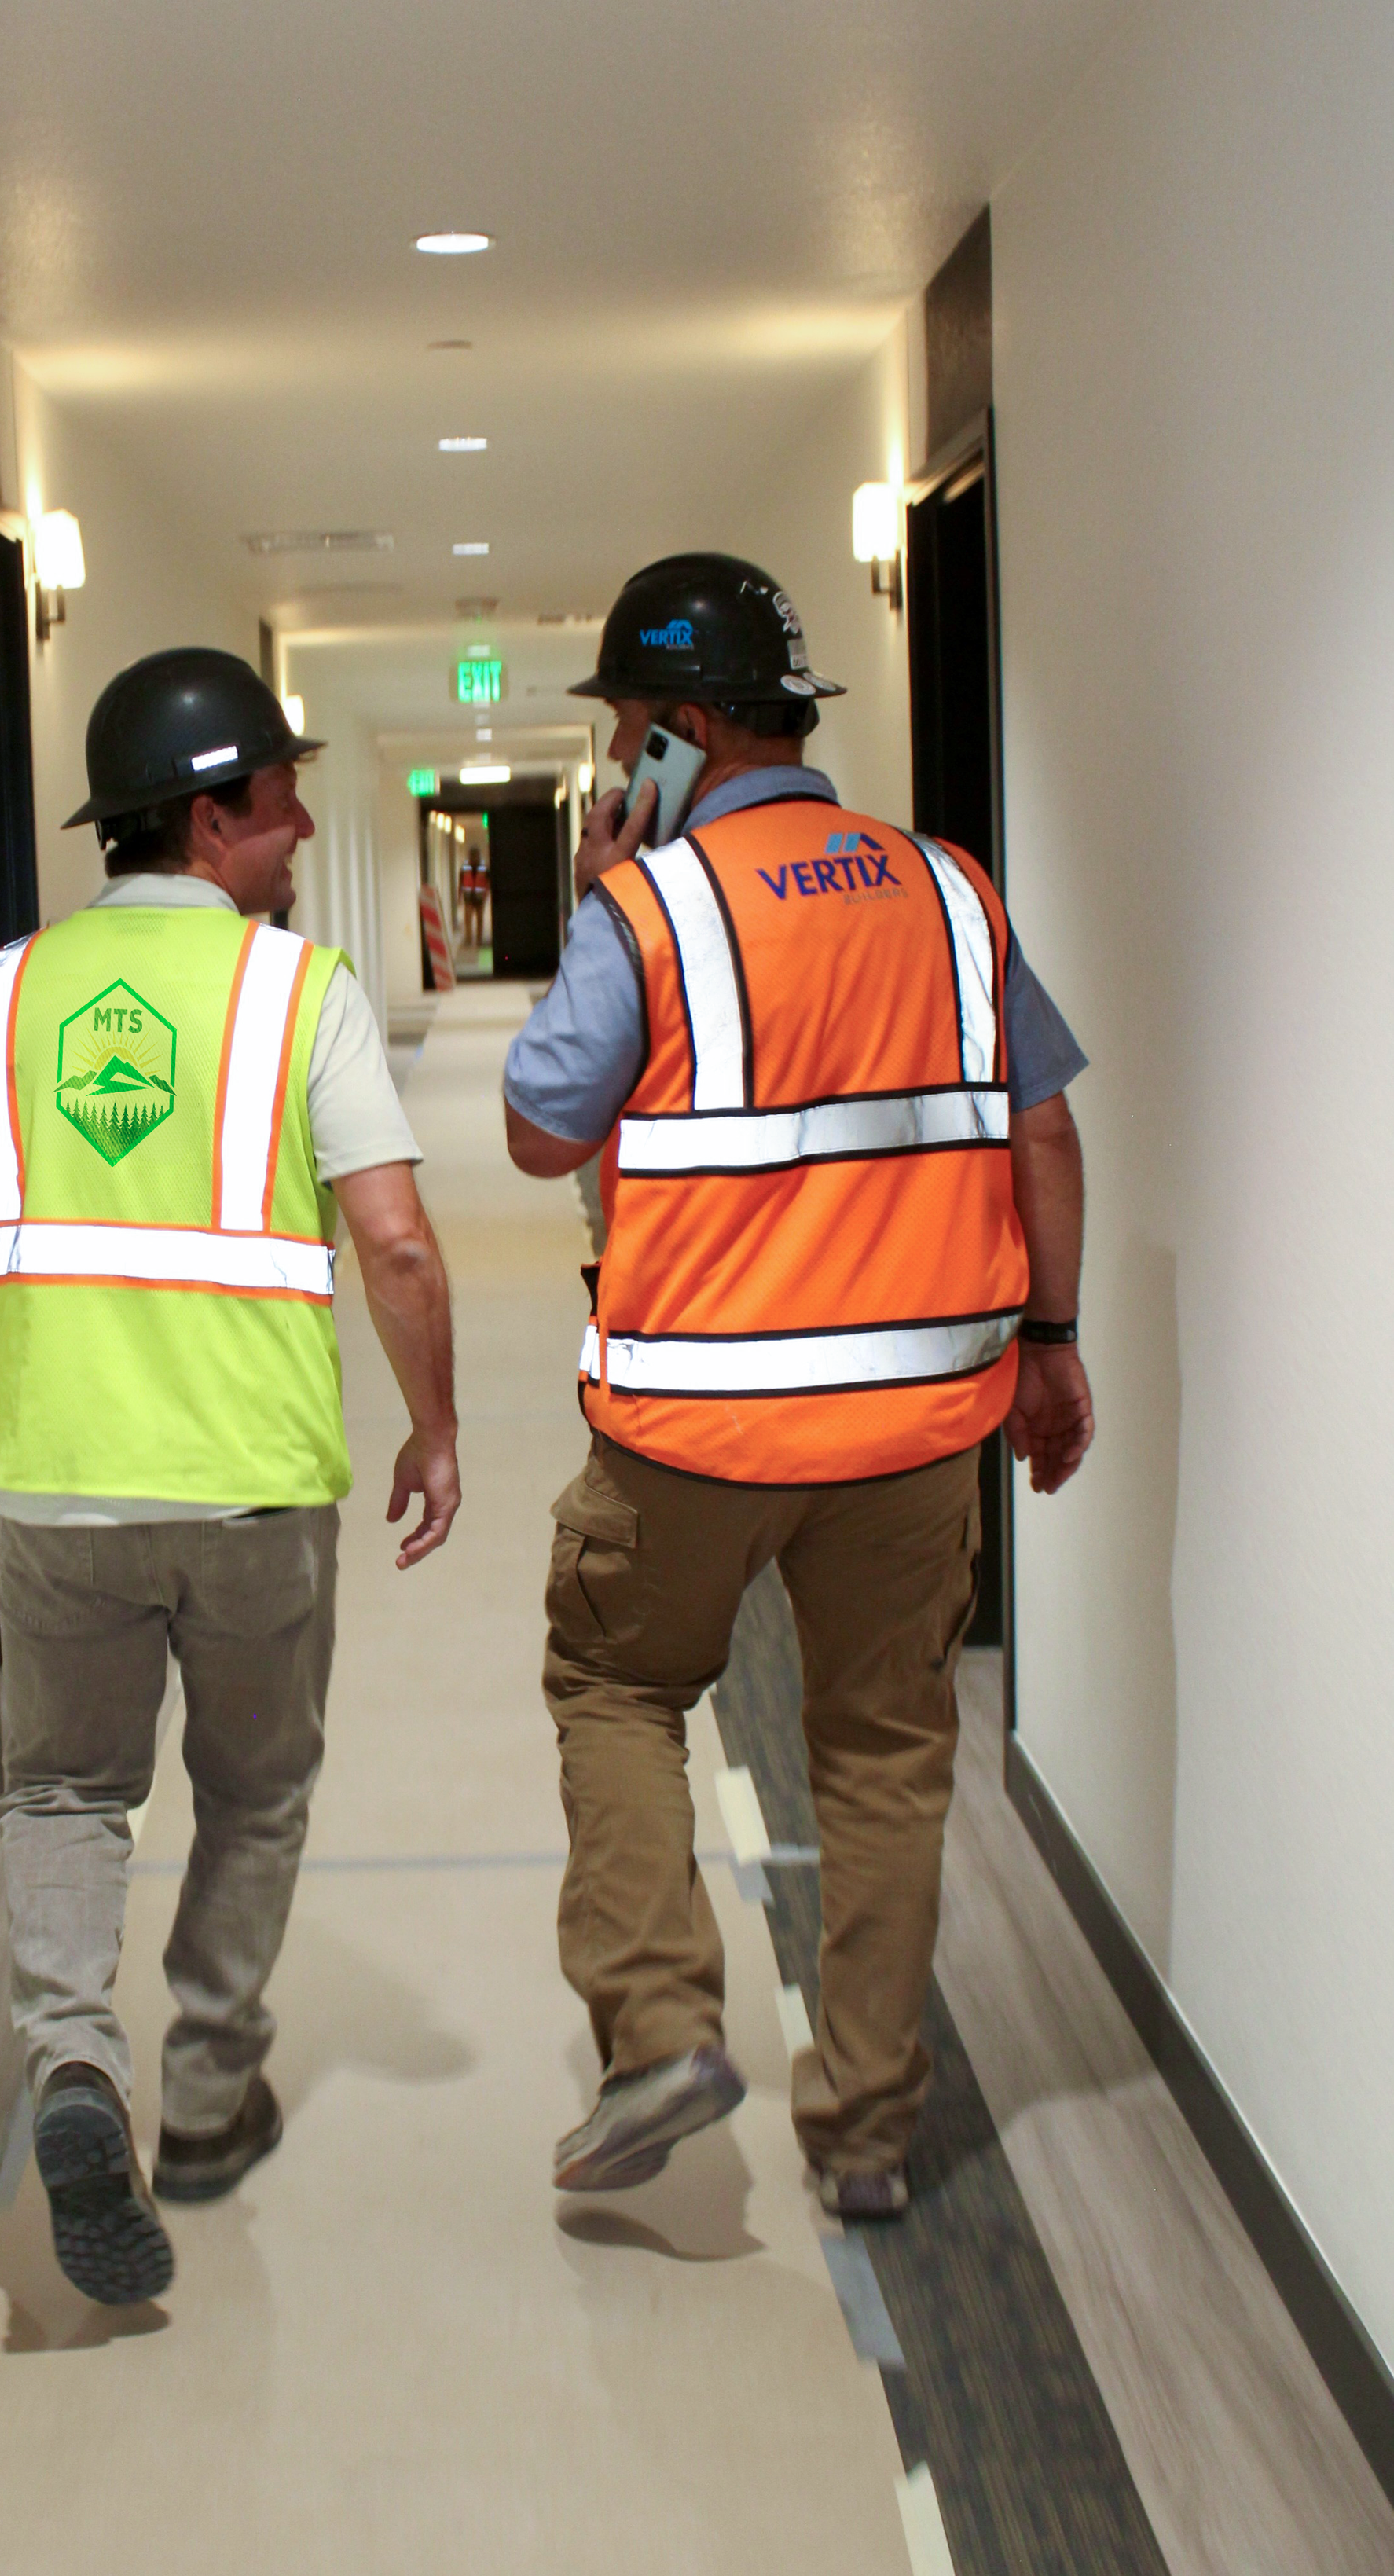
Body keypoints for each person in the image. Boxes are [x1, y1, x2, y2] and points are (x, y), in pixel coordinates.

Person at [503, 554, 1092, 2217]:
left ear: (684, 733)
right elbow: (1043, 1129)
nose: (615, 761)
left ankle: (659, 2033)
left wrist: (598, 898)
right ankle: (867, 2136)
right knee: (887, 1752)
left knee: (615, 1684)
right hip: (915, 1431)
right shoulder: (951, 893)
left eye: (626, 727)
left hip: (695, 1430)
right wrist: (1050, 1347)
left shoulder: (651, 910)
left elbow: (539, 1127)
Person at [0, 647, 460, 2304]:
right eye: (279, 798)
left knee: (66, 1790)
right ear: (210, 818)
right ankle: (206, 2092)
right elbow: (398, 1246)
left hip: (58, 1489)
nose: (299, 829)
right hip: (254, 1490)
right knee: (255, 1790)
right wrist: (433, 1426)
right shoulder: (299, 993)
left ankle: (76, 2060)